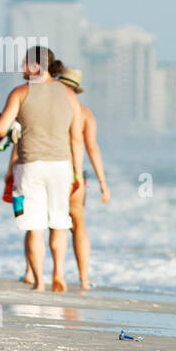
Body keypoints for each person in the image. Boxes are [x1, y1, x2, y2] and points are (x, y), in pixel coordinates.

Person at [0, 46, 84, 292]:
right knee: (59, 222)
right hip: (61, 166)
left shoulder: (21, 93)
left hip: (29, 164)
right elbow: (76, 139)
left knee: (34, 227)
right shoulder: (70, 95)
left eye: (25, 64)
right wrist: (78, 173)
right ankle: (59, 274)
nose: (22, 68)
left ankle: (40, 282)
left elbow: (0, 129)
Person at [57, 66, 110, 290]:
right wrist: (102, 183)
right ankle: (84, 278)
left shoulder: (53, 109)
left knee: (49, 223)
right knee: (78, 223)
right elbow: (92, 148)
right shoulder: (85, 113)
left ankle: (42, 274)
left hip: (53, 168)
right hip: (76, 174)